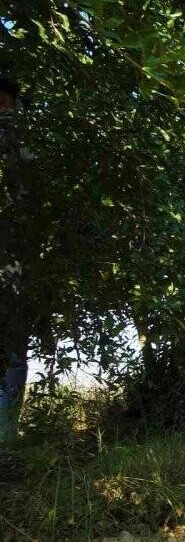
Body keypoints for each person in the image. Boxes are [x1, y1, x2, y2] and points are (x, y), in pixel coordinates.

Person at [0, 76, 29, 443]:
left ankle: (6, 436)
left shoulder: (19, 147)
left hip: (11, 263)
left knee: (11, 351)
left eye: (7, 103)